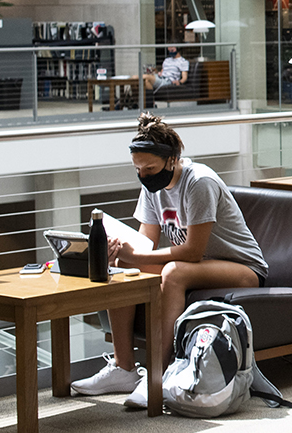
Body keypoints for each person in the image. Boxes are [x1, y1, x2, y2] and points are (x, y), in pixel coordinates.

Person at [70, 113, 269, 406]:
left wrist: (138, 254)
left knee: (174, 272)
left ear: (172, 159)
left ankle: (158, 375)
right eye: (138, 169)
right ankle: (123, 367)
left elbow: (192, 252)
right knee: (125, 265)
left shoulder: (199, 182)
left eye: (149, 168)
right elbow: (145, 243)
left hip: (243, 268)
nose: (144, 175)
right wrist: (122, 249)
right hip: (199, 266)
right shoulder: (152, 186)